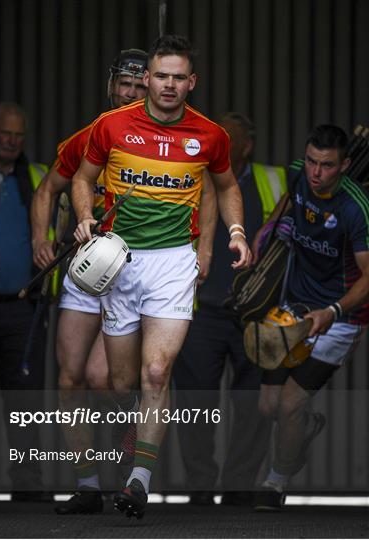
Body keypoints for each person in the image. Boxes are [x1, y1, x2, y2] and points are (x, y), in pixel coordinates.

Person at [72, 34, 251, 519]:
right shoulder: (111, 126)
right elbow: (82, 178)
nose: (169, 85)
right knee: (121, 383)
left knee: (157, 372)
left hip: (173, 263)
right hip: (119, 262)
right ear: (147, 79)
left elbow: (227, 185)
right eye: (161, 76)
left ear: (190, 82)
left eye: (179, 77)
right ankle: (130, 433)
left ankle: (137, 481)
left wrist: (235, 231)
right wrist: (86, 216)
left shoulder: (211, 136)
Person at [31, 49, 149, 515]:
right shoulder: (88, 137)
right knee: (70, 378)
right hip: (83, 271)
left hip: (130, 272)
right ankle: (87, 486)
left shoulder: (161, 143)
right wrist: (40, 238)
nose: (133, 95)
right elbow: (47, 190)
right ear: (111, 86)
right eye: (127, 85)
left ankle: (129, 436)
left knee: (106, 380)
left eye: (141, 89)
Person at [253, 124, 369, 511]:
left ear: (346, 164)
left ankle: (275, 482)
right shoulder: (297, 172)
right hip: (292, 307)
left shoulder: (356, 209)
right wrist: (271, 227)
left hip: (340, 318)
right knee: (268, 407)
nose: (316, 173)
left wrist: (333, 311)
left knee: (289, 404)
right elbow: (287, 203)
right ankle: (303, 429)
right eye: (313, 162)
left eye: (327, 165)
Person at [173, 112, 287, 506]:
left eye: (227, 139)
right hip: (199, 309)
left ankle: (239, 485)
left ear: (246, 146)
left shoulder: (275, 183)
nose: (216, 144)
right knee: (194, 402)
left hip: (254, 313)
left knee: (253, 404)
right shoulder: (191, 179)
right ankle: (200, 485)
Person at [0, 102, 49, 504]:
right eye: (6, 134)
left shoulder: (34, 177)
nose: (13, 142)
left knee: (27, 405)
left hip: (24, 310)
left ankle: (28, 484)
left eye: (19, 135)